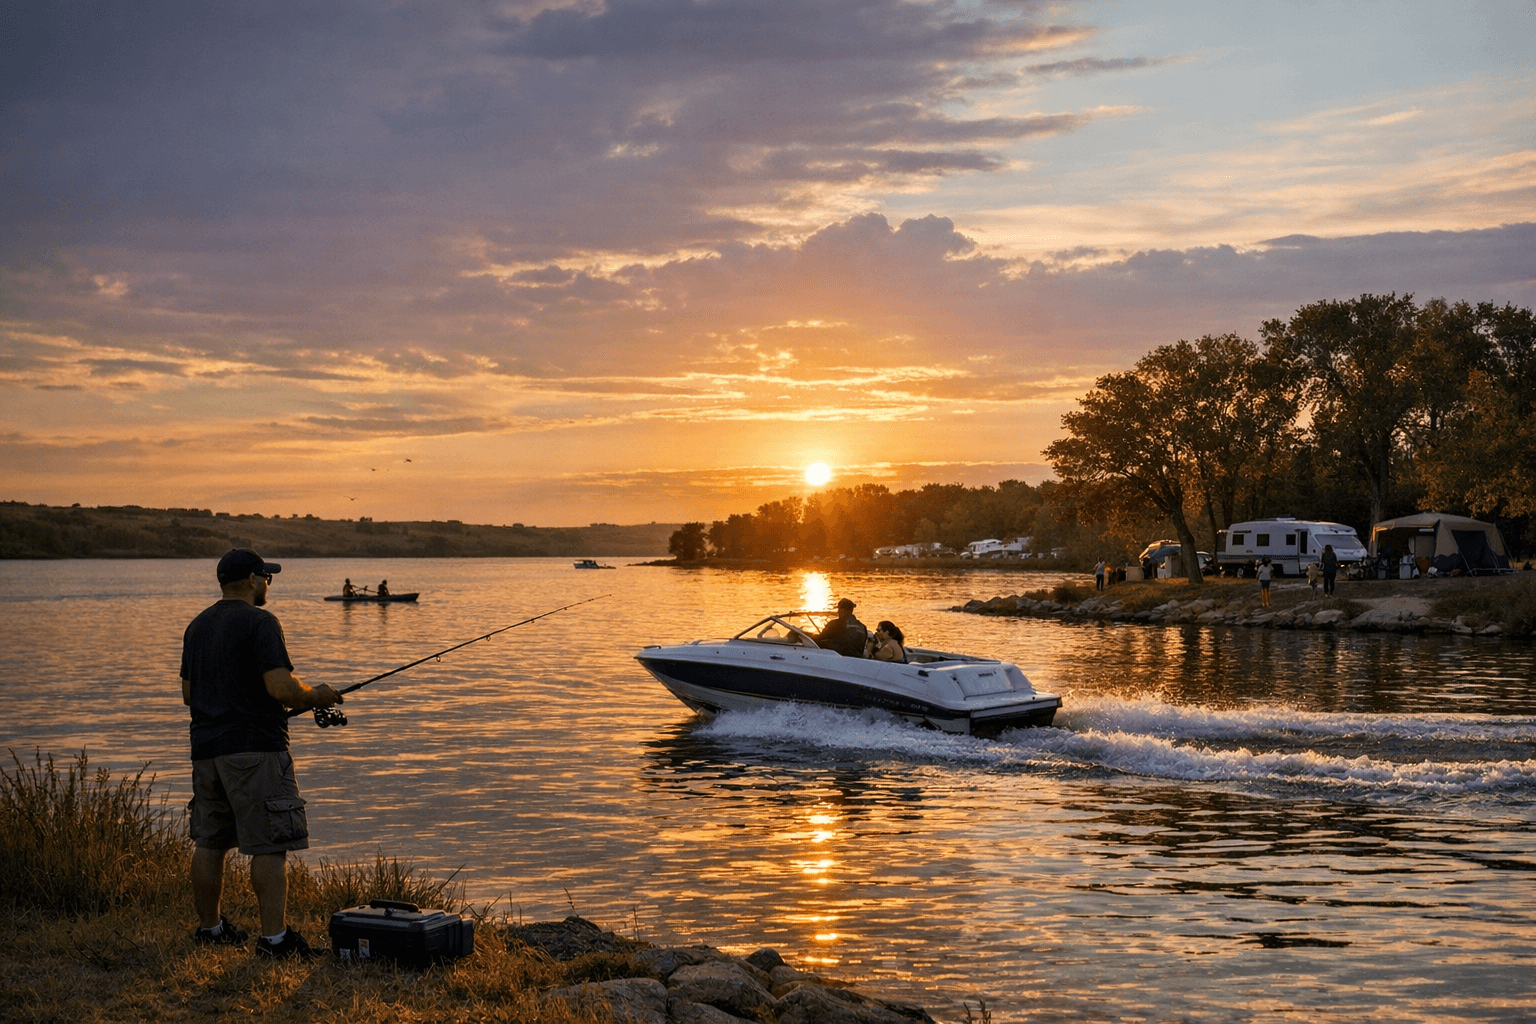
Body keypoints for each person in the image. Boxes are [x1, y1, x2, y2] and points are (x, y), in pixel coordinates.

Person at [181, 548, 343, 959]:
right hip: (255, 752)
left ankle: (210, 930)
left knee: (210, 842)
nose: (269, 583)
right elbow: (281, 688)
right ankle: (275, 941)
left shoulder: (197, 626)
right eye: (266, 577)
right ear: (253, 580)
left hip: (206, 752)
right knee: (269, 845)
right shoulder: (262, 622)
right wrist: (317, 695)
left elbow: (188, 693)